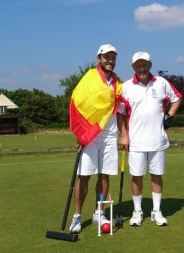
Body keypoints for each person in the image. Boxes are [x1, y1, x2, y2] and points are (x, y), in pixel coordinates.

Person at [118, 51, 182, 226]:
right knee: (137, 177)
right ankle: (137, 212)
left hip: (157, 140)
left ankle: (156, 211)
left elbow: (177, 98)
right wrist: (123, 135)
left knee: (156, 175)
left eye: (145, 64)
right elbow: (120, 114)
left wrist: (169, 116)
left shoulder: (161, 83)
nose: (142, 67)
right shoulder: (126, 86)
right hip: (136, 141)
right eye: (138, 64)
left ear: (150, 65)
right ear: (133, 67)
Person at [68, 44, 123, 234]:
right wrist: (80, 133)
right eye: (106, 57)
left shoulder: (118, 83)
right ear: (99, 58)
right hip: (90, 135)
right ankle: (77, 216)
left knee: (104, 175)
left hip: (109, 135)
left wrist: (124, 134)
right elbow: (79, 103)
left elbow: (121, 111)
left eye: (113, 57)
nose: (110, 60)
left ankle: (98, 212)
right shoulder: (89, 77)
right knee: (84, 176)